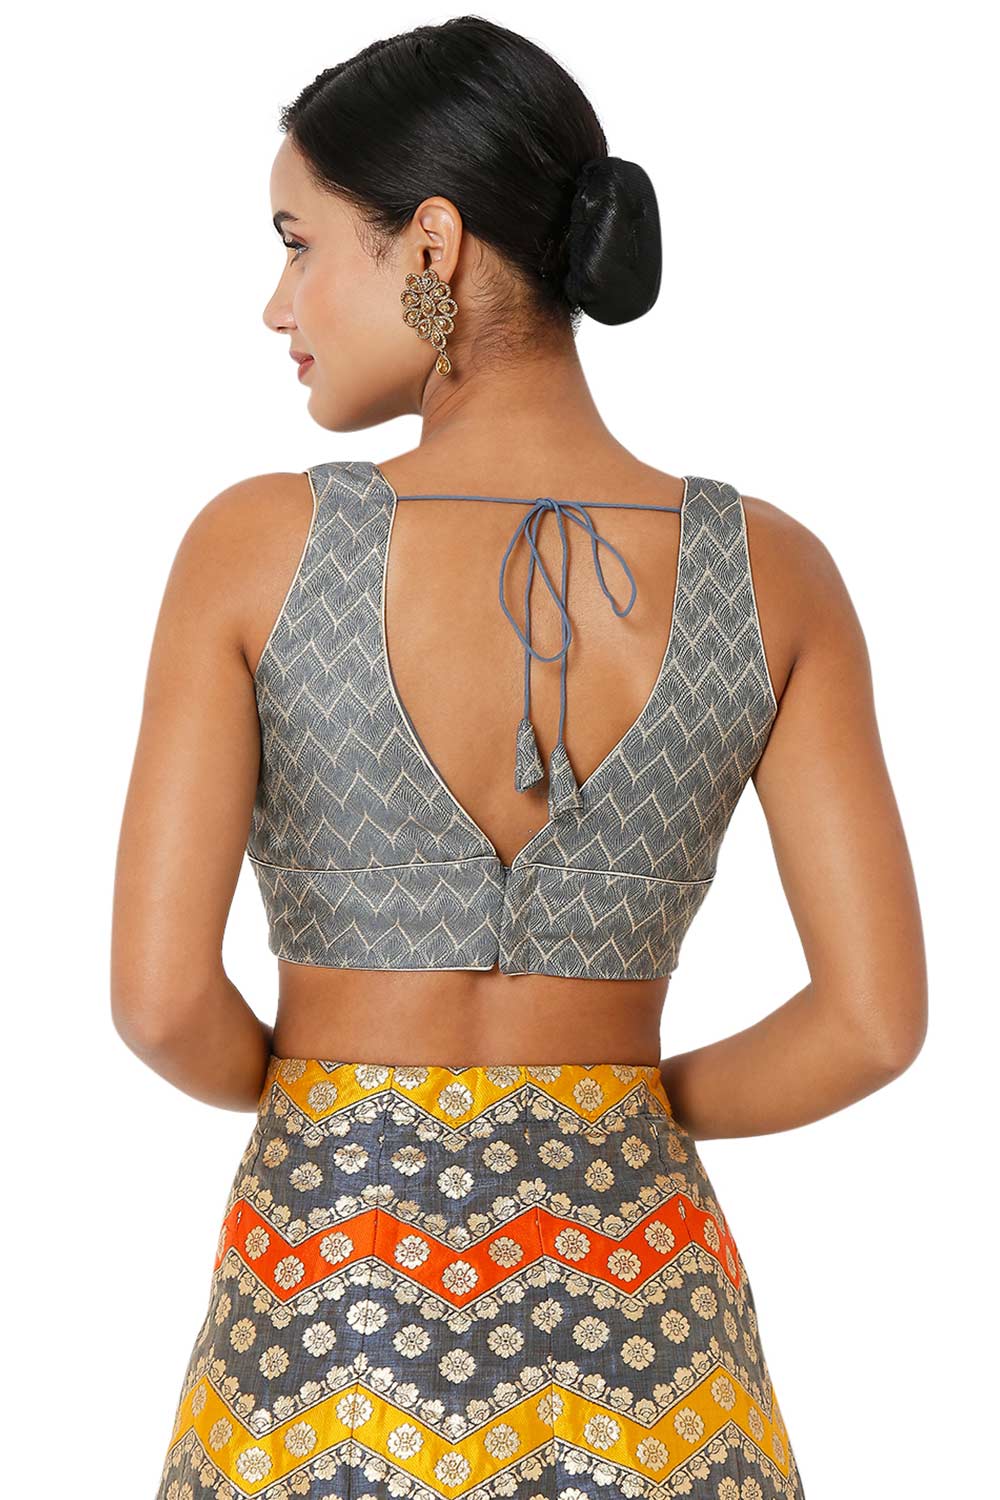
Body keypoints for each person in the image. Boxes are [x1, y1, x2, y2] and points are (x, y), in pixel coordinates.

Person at [112, 18, 926, 1500]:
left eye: (299, 243)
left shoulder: (255, 548)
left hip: (331, 1328)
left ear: (432, 242)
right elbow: (871, 1024)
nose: (277, 302)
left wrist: (330, 1097)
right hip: (650, 1334)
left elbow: (164, 1004)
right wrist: (616, 1105)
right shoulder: (774, 572)